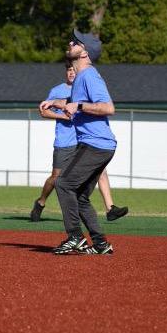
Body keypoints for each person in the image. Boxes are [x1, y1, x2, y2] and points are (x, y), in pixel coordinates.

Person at [39, 30, 118, 255]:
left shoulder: (89, 76)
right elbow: (74, 102)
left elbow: (108, 108)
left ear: (85, 52)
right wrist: (54, 102)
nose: (70, 42)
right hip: (97, 144)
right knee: (80, 196)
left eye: (76, 41)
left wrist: (80, 107)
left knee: (63, 184)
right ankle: (101, 244)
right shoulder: (81, 77)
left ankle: (75, 237)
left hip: (96, 144)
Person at [30, 62, 128, 222]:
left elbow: (97, 106)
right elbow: (44, 111)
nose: (71, 73)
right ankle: (41, 202)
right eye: (68, 70)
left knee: (101, 171)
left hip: (83, 140)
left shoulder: (83, 88)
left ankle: (110, 208)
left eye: (73, 70)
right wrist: (64, 116)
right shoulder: (57, 90)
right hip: (64, 141)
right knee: (56, 177)